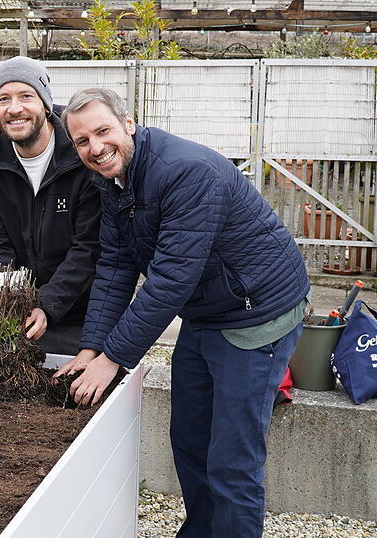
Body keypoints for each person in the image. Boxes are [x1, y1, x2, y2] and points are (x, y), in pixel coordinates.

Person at [57, 87, 310, 538]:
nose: (95, 148)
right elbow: (115, 263)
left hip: (256, 314)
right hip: (208, 310)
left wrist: (113, 359)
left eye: (103, 131)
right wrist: (93, 346)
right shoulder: (111, 179)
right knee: (190, 441)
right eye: (82, 141)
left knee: (233, 460)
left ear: (128, 123)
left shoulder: (185, 171)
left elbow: (171, 280)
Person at [0, 56, 101, 355]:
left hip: (79, 313)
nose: (14, 108)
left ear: (45, 103)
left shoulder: (81, 155)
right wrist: (0, 305)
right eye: (4, 99)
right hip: (22, 309)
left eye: (25, 96)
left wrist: (46, 305)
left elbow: (87, 248)